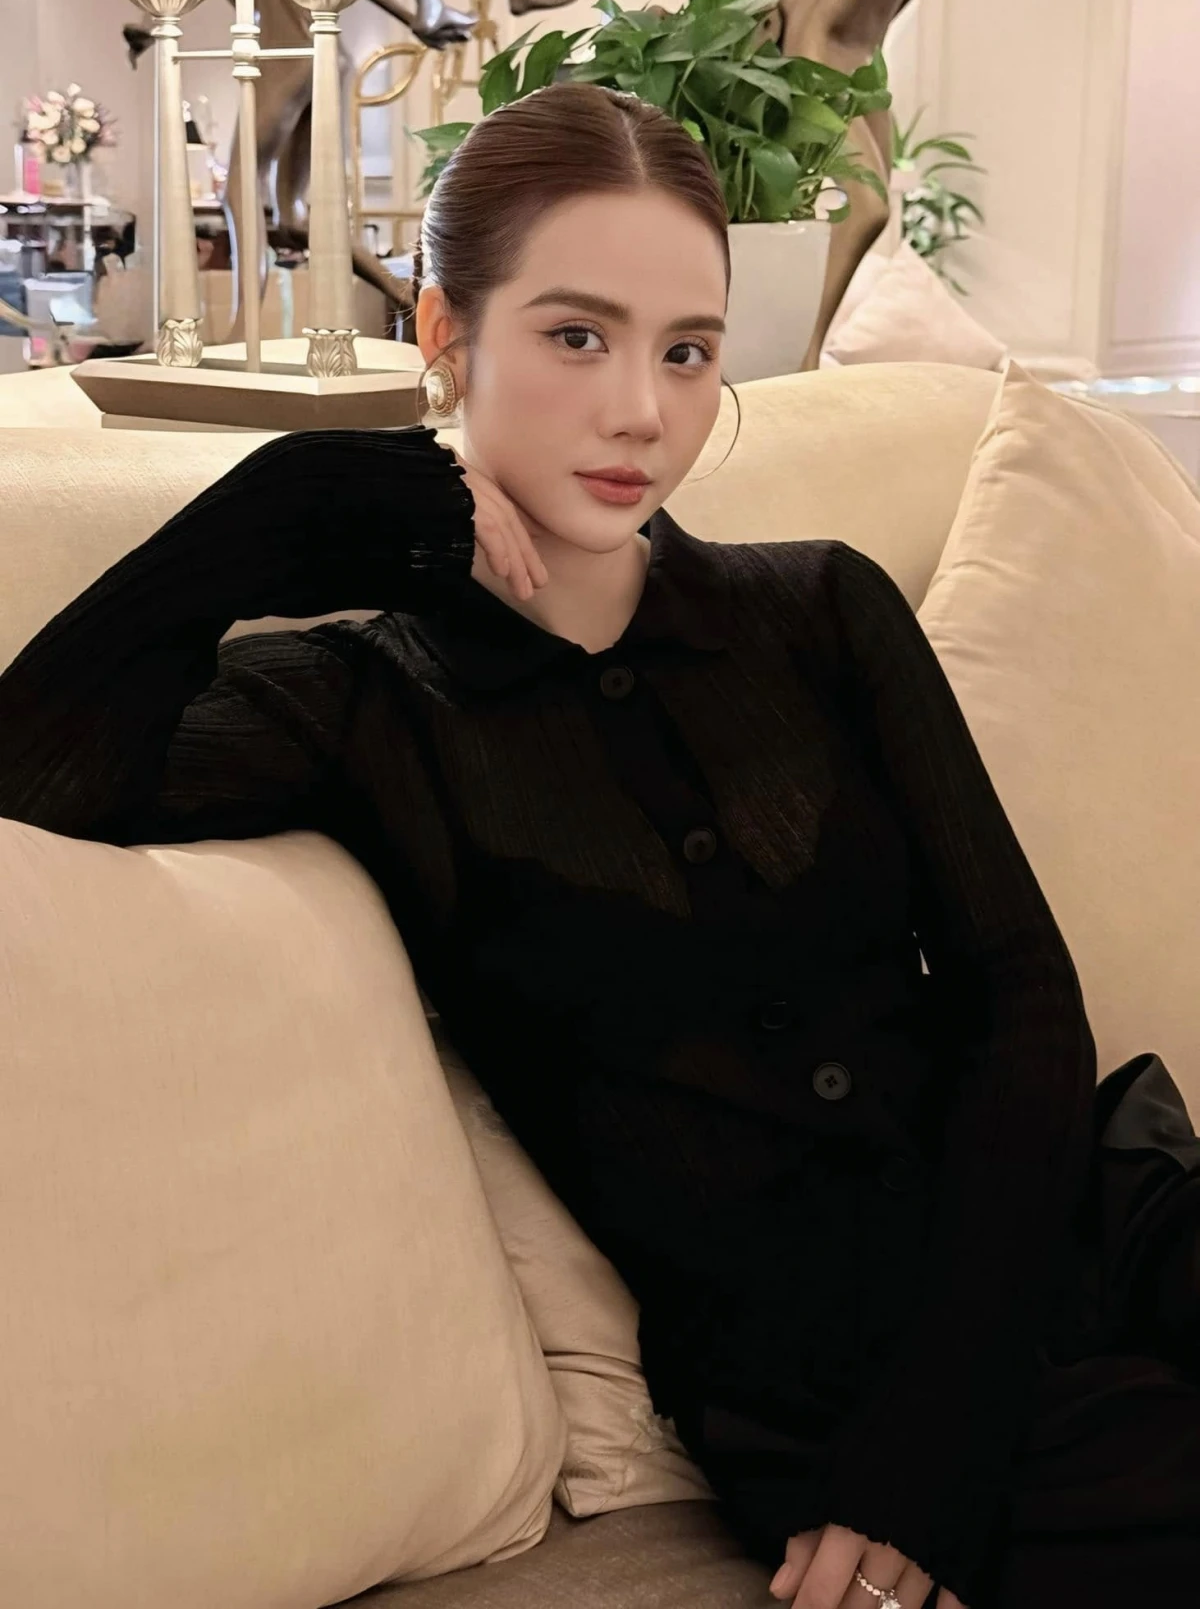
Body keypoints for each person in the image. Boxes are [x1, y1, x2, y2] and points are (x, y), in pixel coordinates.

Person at [1, 81, 1198, 1609]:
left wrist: (929, 1456)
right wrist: (291, 503)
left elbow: (1019, 1000)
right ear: (445, 333)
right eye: (579, 336)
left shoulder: (824, 610)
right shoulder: (363, 703)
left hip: (1087, 1230)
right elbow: (33, 772)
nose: (643, 409)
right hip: (817, 1398)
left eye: (687, 351)